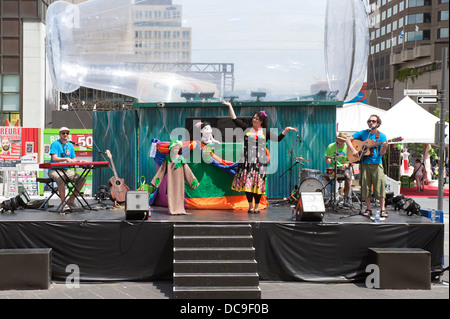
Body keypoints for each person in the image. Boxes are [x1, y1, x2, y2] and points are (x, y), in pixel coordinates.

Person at [222, 100, 298, 214]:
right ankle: (250, 206)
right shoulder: (247, 129)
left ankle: (257, 207)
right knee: (248, 185)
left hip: (259, 162)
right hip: (247, 161)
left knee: (257, 185)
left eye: (256, 118)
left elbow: (278, 139)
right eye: (254, 118)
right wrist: (230, 106)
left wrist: (286, 130)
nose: (254, 120)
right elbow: (234, 119)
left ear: (261, 121)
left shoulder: (265, 132)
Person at [346, 115, 388, 218]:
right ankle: (368, 209)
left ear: (378, 124)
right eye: (369, 121)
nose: (371, 123)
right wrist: (354, 150)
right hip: (365, 164)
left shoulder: (381, 136)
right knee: (365, 187)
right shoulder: (364, 133)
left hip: (377, 164)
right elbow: (348, 140)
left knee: (380, 187)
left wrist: (385, 147)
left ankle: (382, 209)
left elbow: (382, 154)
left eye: (373, 121)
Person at [48, 127, 86, 211]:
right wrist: (66, 159)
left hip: (65, 170)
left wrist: (79, 161)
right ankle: (63, 204)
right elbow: (54, 159)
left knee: (82, 180)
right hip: (54, 169)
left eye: (67, 133)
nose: (65, 134)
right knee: (61, 179)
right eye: (63, 133)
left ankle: (71, 200)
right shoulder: (55, 144)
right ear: (59, 134)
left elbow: (73, 159)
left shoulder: (71, 145)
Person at [325, 132, 352, 205]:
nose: (341, 142)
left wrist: (347, 163)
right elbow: (327, 158)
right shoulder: (331, 146)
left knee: (347, 175)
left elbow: (352, 161)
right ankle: (328, 196)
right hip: (334, 168)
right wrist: (328, 160)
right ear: (336, 139)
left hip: (344, 168)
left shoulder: (348, 147)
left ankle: (347, 197)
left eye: (343, 141)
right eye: (339, 140)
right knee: (325, 177)